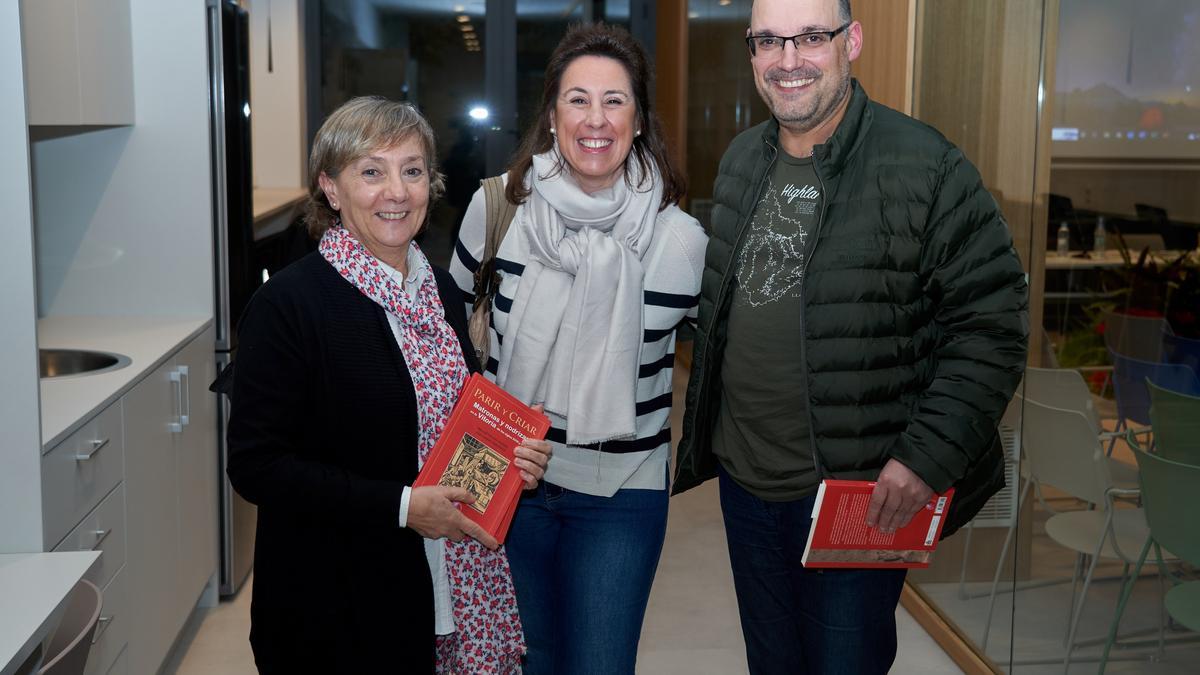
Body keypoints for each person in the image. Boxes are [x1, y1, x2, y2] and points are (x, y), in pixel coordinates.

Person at [674, 1, 1029, 673]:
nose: (788, 60)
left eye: (811, 37)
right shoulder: (741, 161)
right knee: (772, 661)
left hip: (858, 492)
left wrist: (925, 457)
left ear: (851, 41)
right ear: (752, 53)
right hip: (747, 484)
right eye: (769, 41)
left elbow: (993, 326)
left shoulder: (926, 167)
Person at [226, 96, 551, 674]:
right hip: (336, 611)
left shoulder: (441, 293)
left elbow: (443, 433)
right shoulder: (289, 307)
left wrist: (509, 459)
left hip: (444, 593)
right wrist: (403, 507)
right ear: (331, 187)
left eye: (413, 170)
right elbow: (257, 466)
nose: (396, 192)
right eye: (371, 172)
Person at [449, 23, 707, 675]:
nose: (596, 119)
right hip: (504, 480)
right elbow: (444, 338)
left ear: (640, 119)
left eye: (615, 100)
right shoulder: (495, 209)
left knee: (599, 664)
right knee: (521, 662)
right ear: (553, 114)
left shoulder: (681, 241)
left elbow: (735, 358)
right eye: (578, 99)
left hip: (622, 492)